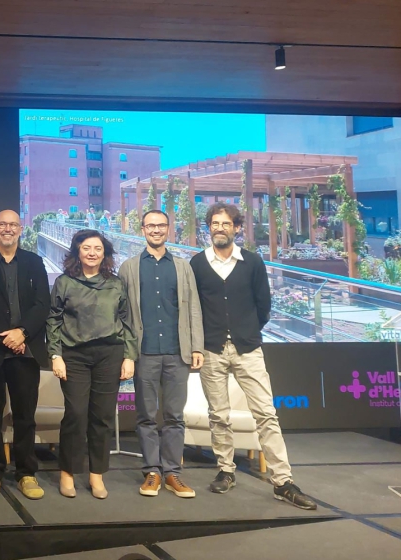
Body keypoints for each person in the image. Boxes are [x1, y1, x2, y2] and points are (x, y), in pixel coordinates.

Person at [189, 203, 317, 510]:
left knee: (266, 414)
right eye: (215, 223)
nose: (220, 228)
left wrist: (245, 332)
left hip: (248, 349)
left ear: (236, 228)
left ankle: (282, 482)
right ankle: (226, 470)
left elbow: (264, 307)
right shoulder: (197, 263)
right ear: (209, 227)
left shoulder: (253, 262)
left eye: (226, 223)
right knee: (218, 415)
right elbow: (194, 307)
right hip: (211, 349)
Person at [119, 210, 203, 499]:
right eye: (150, 226)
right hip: (144, 353)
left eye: (161, 225)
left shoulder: (182, 266)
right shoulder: (129, 267)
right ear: (142, 229)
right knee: (146, 416)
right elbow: (123, 315)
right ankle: (152, 472)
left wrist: (196, 346)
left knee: (174, 416)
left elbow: (194, 308)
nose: (156, 230)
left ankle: (172, 473)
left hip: (177, 353)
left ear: (168, 229)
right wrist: (126, 352)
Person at [0, 209, 50, 501]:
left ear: (20, 229)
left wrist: (22, 333)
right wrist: (6, 336)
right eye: (2, 224)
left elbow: (42, 303)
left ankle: (26, 473)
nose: (7, 229)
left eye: (13, 224)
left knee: (25, 417)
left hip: (25, 351)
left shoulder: (34, 262)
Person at [47, 229, 136, 499]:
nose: (92, 253)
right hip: (74, 355)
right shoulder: (64, 282)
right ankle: (68, 472)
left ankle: (97, 474)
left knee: (103, 416)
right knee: (75, 414)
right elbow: (53, 320)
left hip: (109, 355)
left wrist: (129, 356)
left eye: (97, 248)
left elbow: (126, 321)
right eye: (86, 248)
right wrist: (56, 355)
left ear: (104, 253)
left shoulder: (116, 284)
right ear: (77, 251)